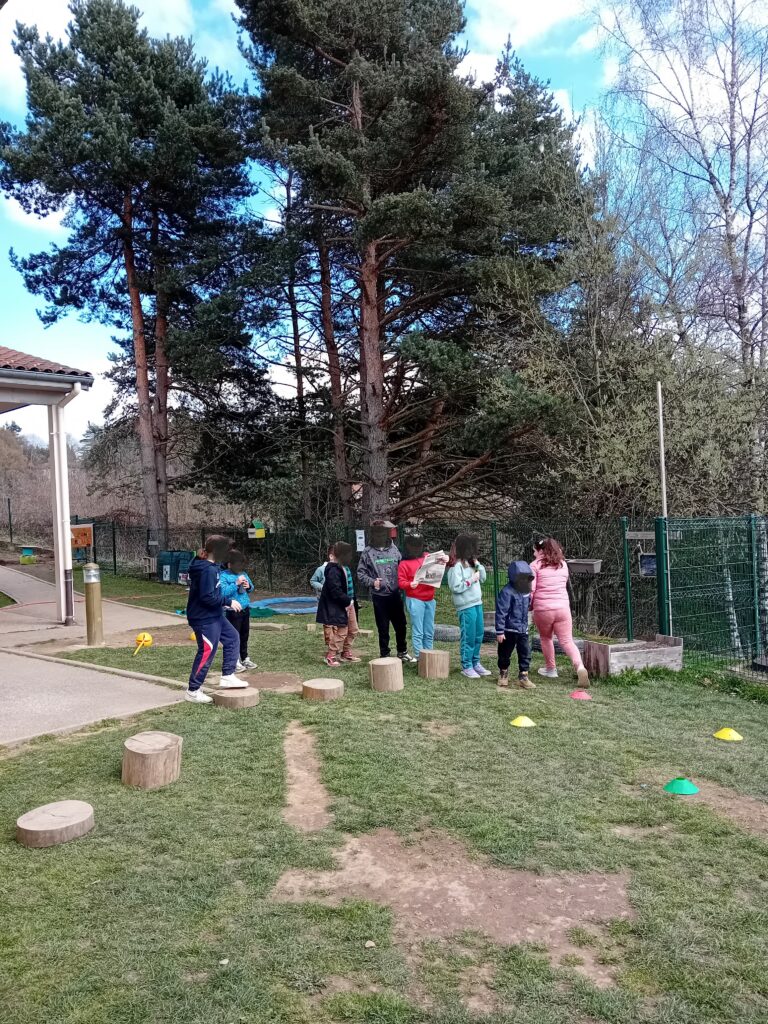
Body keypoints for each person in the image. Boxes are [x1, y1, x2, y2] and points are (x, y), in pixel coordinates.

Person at [186, 535, 248, 703]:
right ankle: (193, 690)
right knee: (207, 650)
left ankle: (228, 675)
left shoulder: (212, 566)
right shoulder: (207, 570)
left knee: (232, 638)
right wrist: (228, 601)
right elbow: (207, 596)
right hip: (203, 618)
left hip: (214, 614)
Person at [530, 537, 590, 688]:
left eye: (535, 550)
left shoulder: (534, 566)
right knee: (567, 641)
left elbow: (531, 590)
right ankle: (580, 667)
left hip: (543, 609)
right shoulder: (563, 564)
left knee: (545, 638)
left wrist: (530, 606)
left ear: (541, 550)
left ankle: (551, 669)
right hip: (562, 608)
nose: (534, 553)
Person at [357, 520, 415, 662]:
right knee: (383, 628)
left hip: (395, 594)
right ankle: (385, 655)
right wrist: (372, 582)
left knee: (401, 625)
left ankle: (402, 652)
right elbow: (360, 573)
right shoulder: (367, 552)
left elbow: (403, 566)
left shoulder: (394, 549)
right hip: (379, 597)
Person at [447, 533, 490, 678]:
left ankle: (475, 662)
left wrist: (478, 565)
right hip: (466, 606)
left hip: (477, 603)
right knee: (469, 637)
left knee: (479, 634)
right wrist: (471, 580)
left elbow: (483, 578)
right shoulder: (456, 566)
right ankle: (467, 665)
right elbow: (455, 587)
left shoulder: (472, 564)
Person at [398, 534, 440, 660]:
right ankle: (420, 657)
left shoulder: (428, 557)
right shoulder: (404, 563)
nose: (416, 549)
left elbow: (445, 562)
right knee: (418, 630)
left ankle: (429, 655)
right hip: (415, 599)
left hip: (430, 599)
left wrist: (444, 558)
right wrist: (410, 584)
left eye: (418, 546)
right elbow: (401, 582)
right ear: (407, 547)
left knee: (429, 630)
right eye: (413, 546)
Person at [495, 560, 535, 689]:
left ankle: (523, 676)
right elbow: (501, 612)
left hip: (523, 630)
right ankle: (503, 673)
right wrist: (500, 631)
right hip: (508, 630)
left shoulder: (526, 591)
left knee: (525, 653)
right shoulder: (507, 592)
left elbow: (527, 607)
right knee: (504, 653)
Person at [316, 541, 356, 667]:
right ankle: (331, 655)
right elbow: (335, 591)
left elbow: (348, 586)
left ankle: (346, 652)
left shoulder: (344, 568)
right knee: (342, 631)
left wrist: (352, 601)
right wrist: (346, 601)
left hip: (349, 603)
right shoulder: (333, 570)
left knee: (353, 629)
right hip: (340, 605)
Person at [220, 550, 257, 672]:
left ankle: (245, 658)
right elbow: (223, 593)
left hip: (245, 609)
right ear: (230, 564)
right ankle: (234, 661)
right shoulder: (224, 576)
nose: (240, 567)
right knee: (234, 636)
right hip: (232, 611)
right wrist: (236, 584)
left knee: (244, 634)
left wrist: (249, 587)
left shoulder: (244, 574)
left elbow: (251, 588)